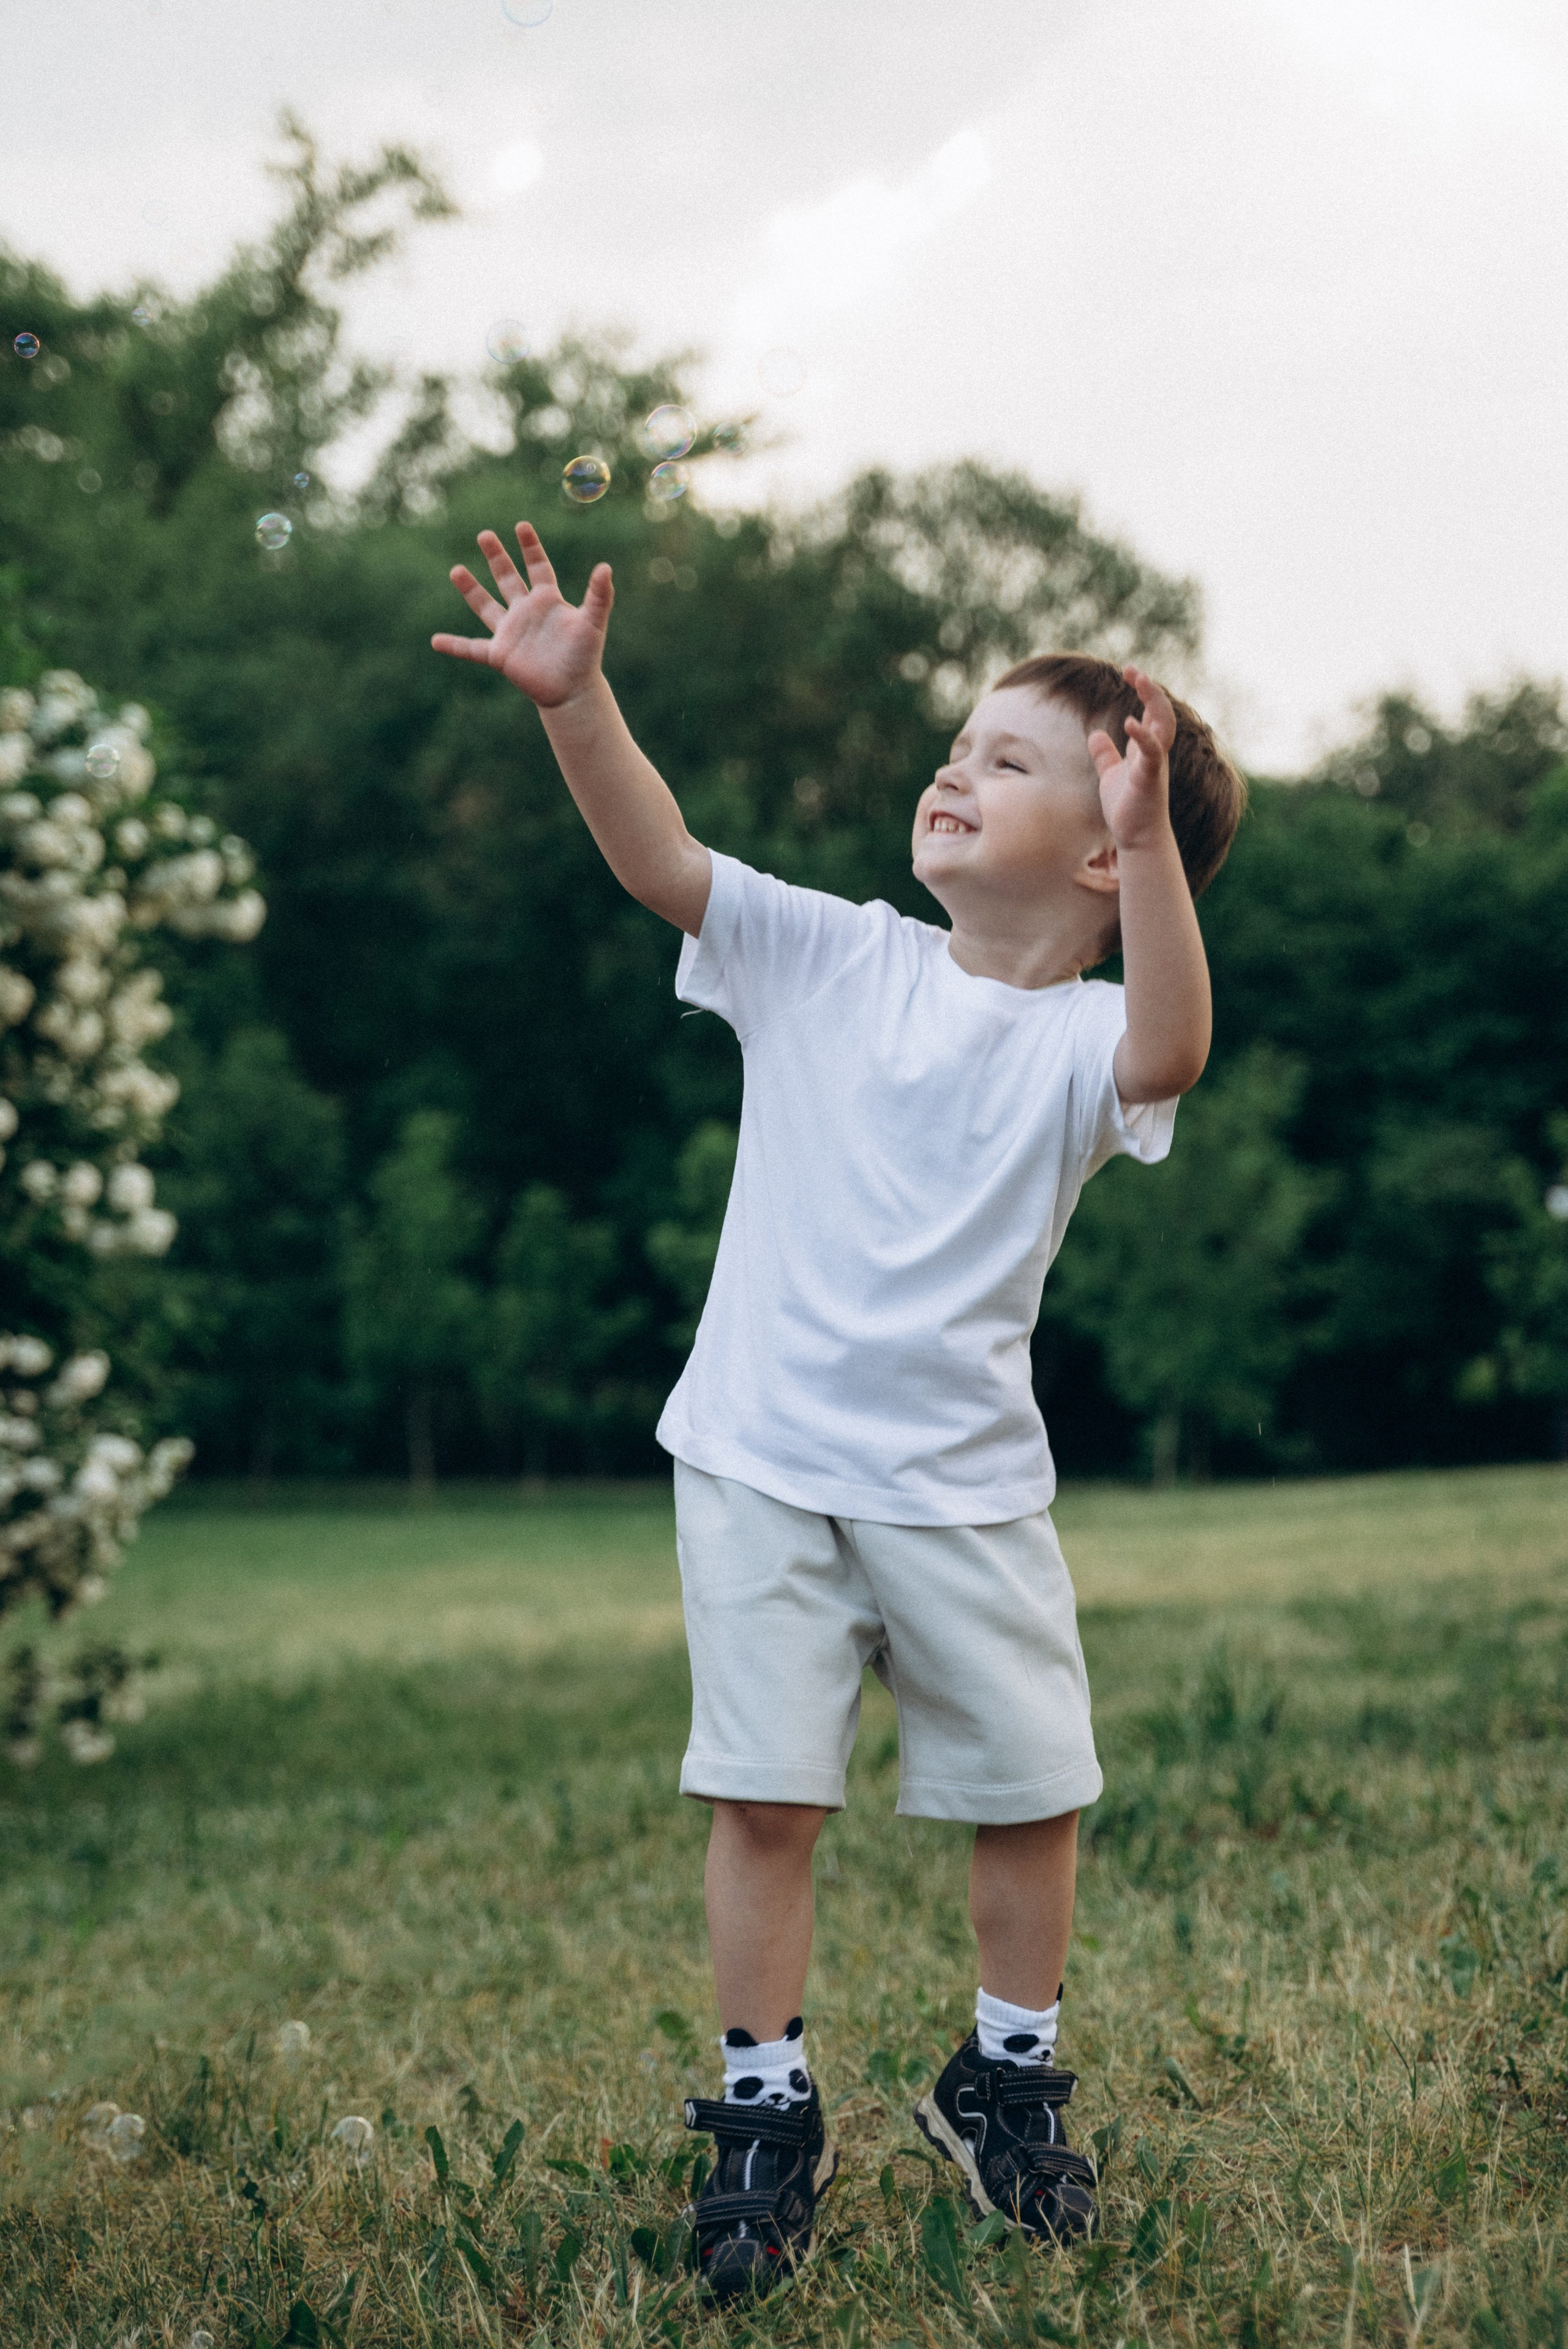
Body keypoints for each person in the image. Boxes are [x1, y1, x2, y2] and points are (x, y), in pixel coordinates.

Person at [433, 519, 1246, 2301]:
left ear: (1108, 857)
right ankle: (762, 2105)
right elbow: (660, 859)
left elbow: (1177, 1041)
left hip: (963, 1491)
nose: (954, 768)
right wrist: (575, 705)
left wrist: (1147, 834)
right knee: (765, 1793)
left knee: (1034, 1788)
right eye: (958, 743)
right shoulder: (832, 954)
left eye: (1011, 760)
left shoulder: (1089, 1039)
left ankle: (1005, 2073)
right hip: (763, 1462)